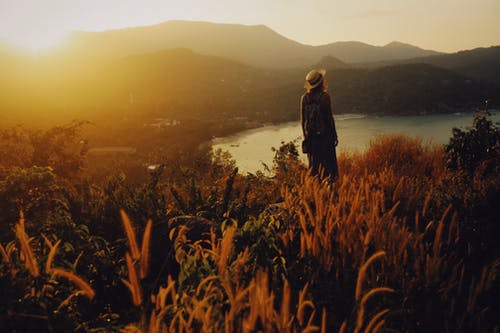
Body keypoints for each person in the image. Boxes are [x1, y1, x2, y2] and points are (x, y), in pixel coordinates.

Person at [300, 69, 339, 179]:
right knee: (329, 170)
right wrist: (334, 136)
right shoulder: (324, 97)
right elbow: (329, 119)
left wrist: (306, 137)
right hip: (325, 138)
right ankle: (330, 192)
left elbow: (303, 121)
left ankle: (317, 192)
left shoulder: (304, 98)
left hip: (311, 140)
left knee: (315, 171)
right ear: (321, 82)